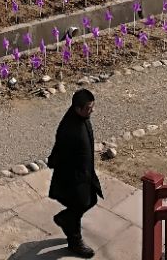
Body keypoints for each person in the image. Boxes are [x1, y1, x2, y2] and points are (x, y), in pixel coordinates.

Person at [48, 88, 102, 258]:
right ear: (77, 109)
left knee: (90, 200)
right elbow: (61, 153)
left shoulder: (81, 117)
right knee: (78, 205)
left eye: (92, 107)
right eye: (88, 108)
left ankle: (66, 219)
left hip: (84, 173)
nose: (91, 110)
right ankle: (74, 241)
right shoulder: (69, 129)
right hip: (73, 178)